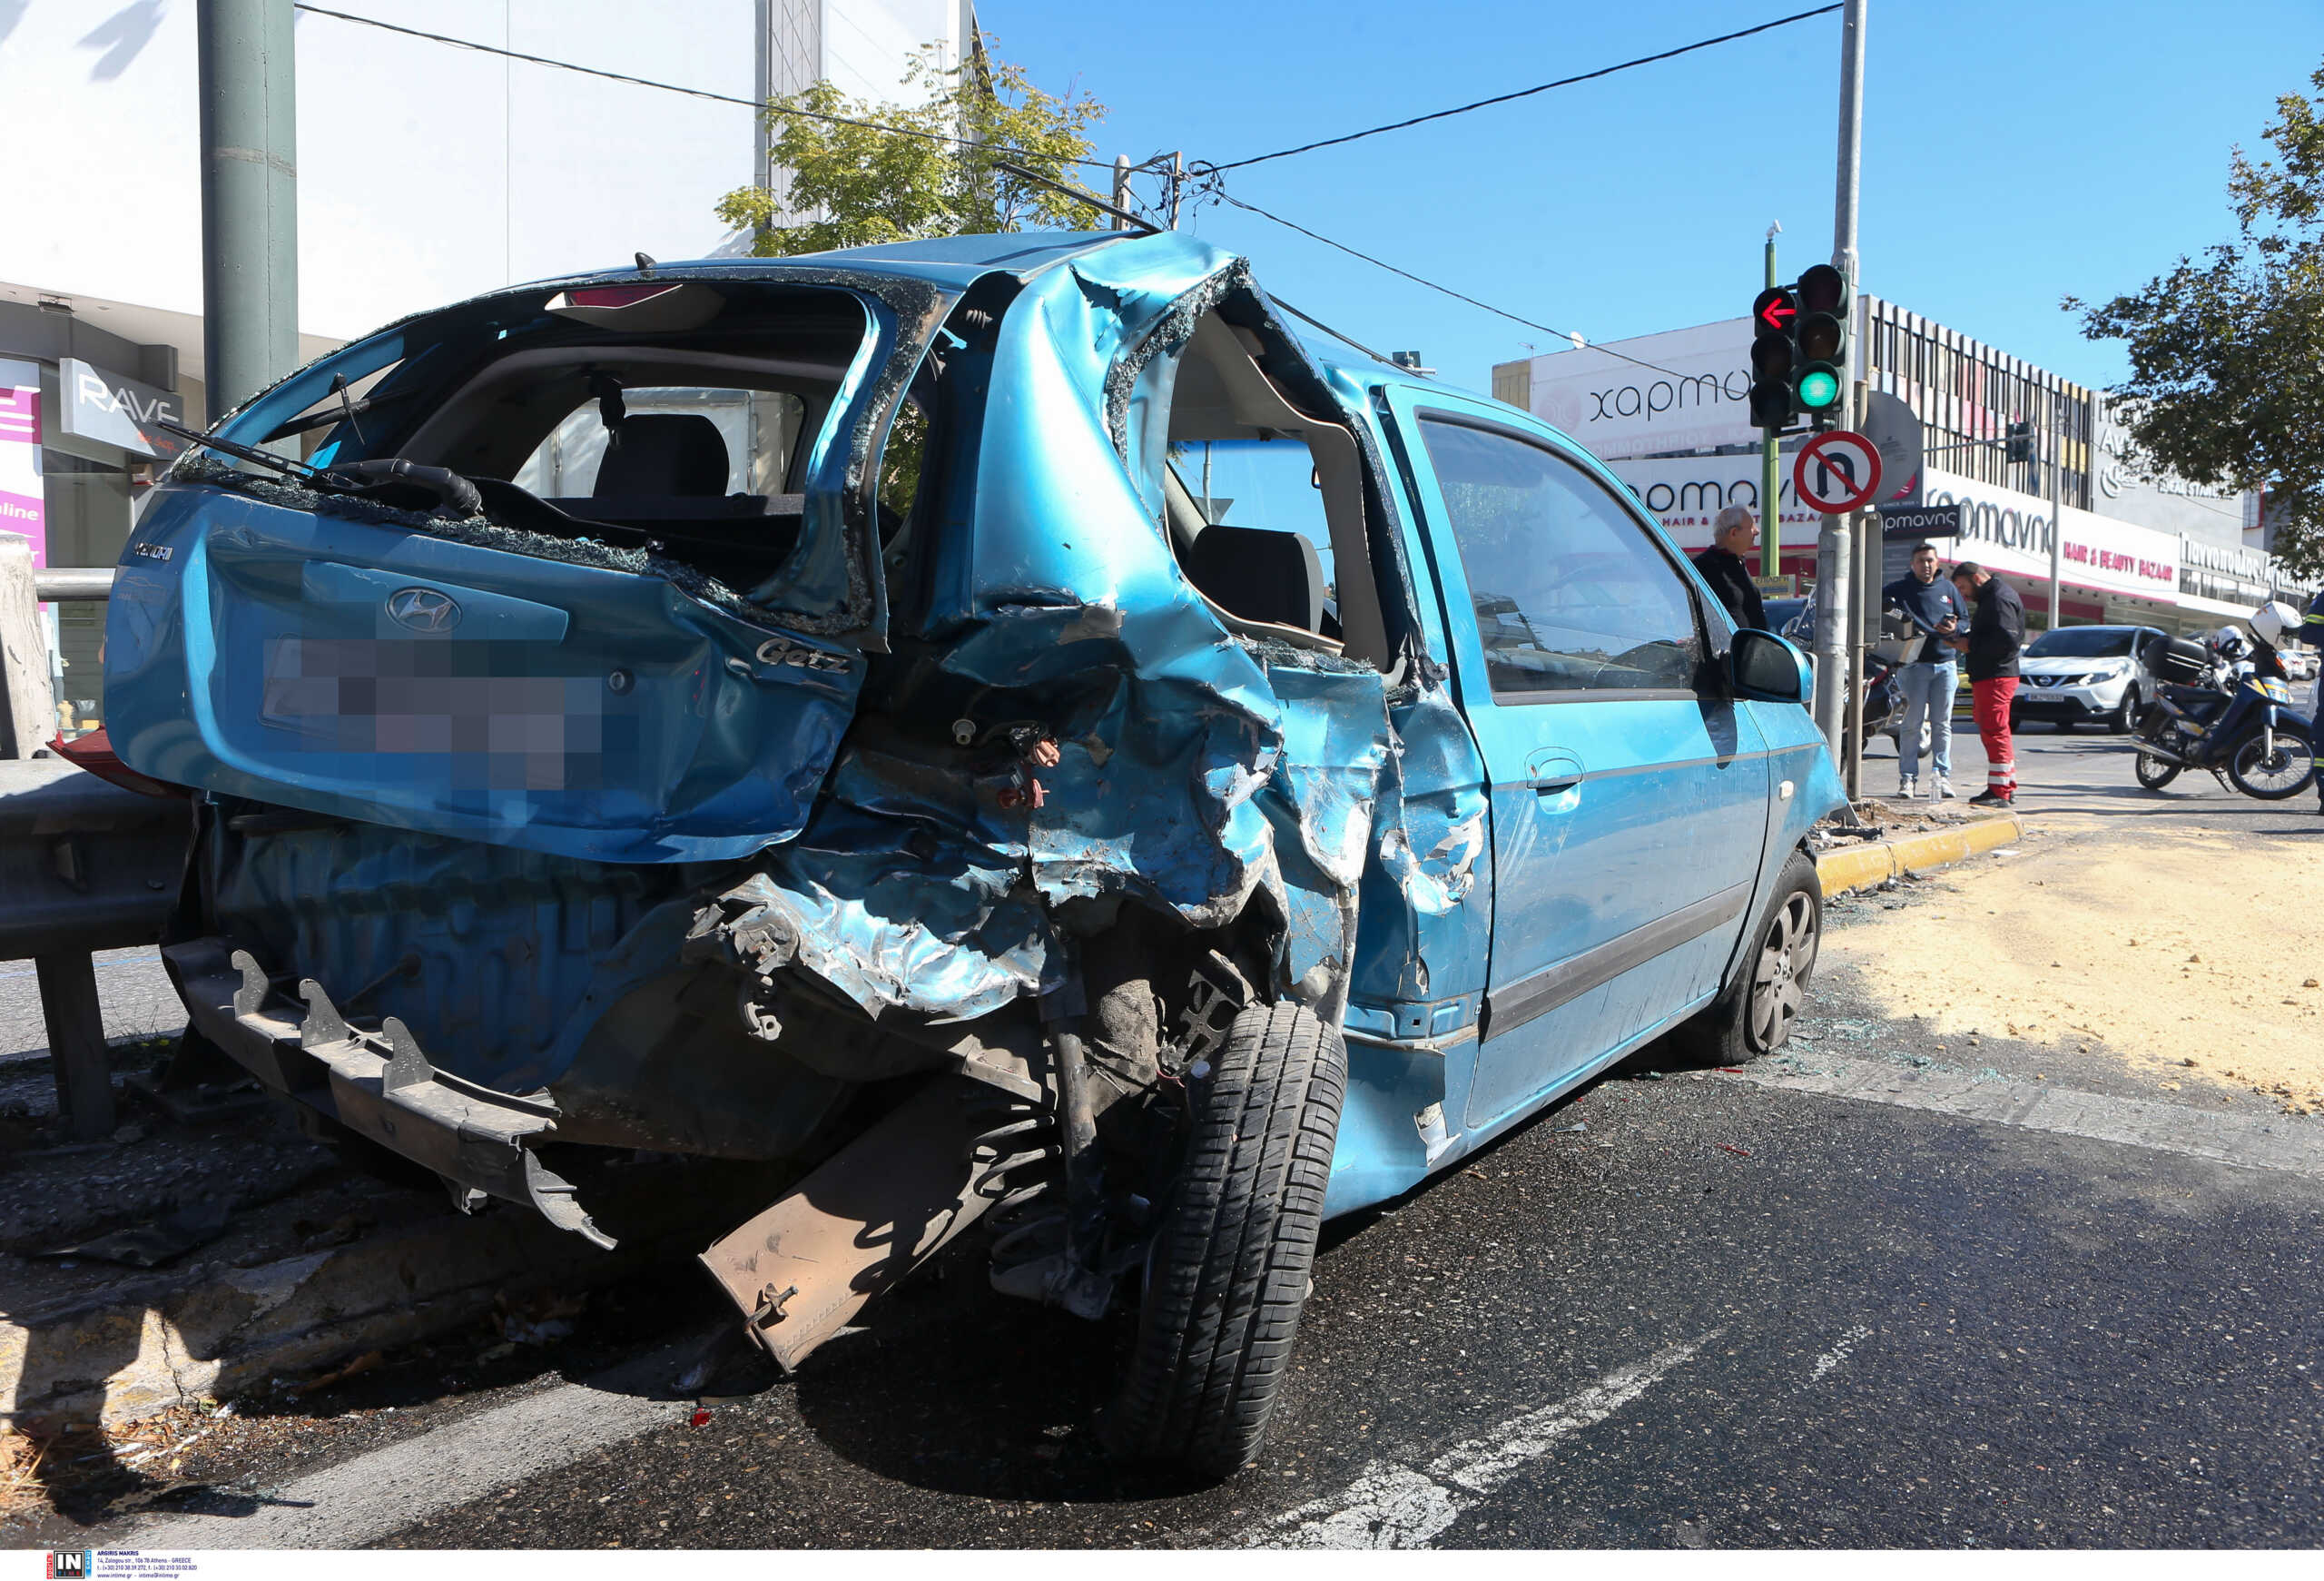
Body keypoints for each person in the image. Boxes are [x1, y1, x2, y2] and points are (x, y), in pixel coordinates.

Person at [1881, 542, 1968, 799]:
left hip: (1946, 664)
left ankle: (1941, 778)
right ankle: (1907, 779)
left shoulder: (1949, 588)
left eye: (1930, 560)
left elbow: (1964, 619)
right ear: (1912, 564)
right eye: (1921, 560)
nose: (1926, 565)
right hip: (1913, 666)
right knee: (1911, 725)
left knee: (1942, 725)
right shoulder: (1900, 589)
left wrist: (1954, 628)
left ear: (1937, 563)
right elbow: (1877, 607)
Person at [1948, 560, 2025, 807]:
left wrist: (1968, 645)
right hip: (1994, 674)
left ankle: (2000, 791)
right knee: (1995, 730)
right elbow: (1995, 635)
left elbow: (2005, 640)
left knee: (1995, 731)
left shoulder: (1998, 599)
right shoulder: (1994, 597)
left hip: (1996, 675)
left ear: (1976, 579)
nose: (1962, 594)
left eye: (1963, 587)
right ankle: (2005, 785)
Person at [1692, 505, 1767, 631]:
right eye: (1751, 527)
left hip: (1753, 649)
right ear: (1733, 533)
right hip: (1729, 649)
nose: (1757, 531)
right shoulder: (1704, 567)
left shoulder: (1739, 564)